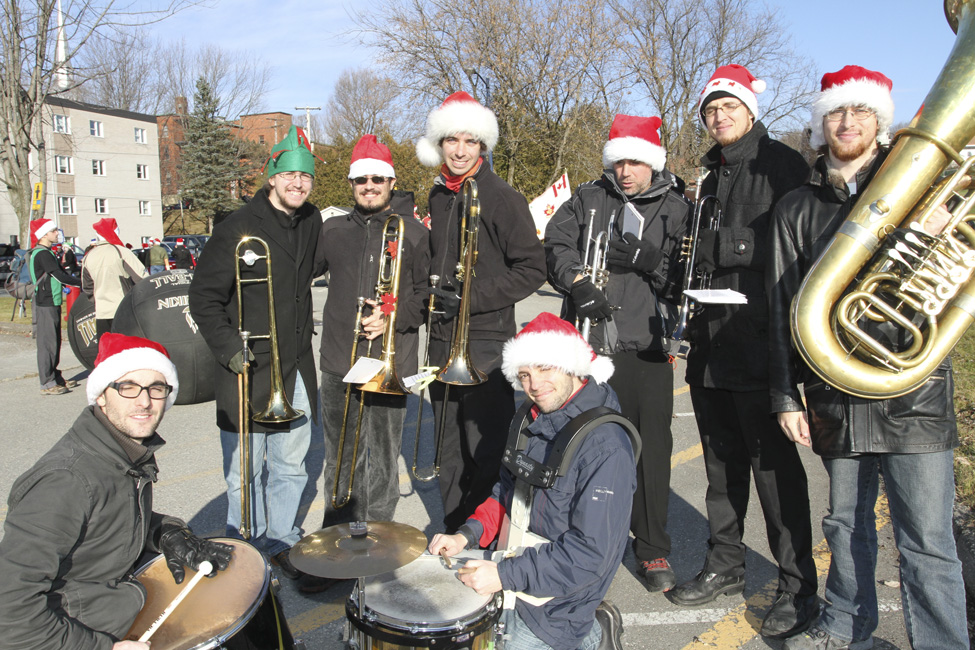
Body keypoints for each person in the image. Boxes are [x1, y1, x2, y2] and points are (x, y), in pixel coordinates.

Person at [768, 65, 969, 650]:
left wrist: (935, 234)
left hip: (914, 392)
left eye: (859, 112)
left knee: (926, 540)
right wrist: (786, 396)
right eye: (835, 111)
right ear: (819, 123)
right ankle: (844, 630)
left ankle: (944, 643)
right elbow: (782, 311)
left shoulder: (931, 190)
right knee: (845, 525)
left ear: (880, 122)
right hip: (835, 390)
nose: (847, 122)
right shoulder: (795, 208)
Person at [669, 64, 818, 635]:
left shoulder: (781, 162)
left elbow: (798, 244)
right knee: (720, 468)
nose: (719, 117)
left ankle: (798, 585)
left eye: (728, 107)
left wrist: (720, 245)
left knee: (775, 475)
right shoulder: (709, 172)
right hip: (711, 345)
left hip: (761, 344)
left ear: (750, 110)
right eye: (710, 110)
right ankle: (726, 564)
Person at [0, 333, 233, 649]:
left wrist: (165, 532)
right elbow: (9, 609)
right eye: (127, 387)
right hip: (78, 630)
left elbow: (109, 520)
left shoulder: (120, 453)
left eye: (156, 388)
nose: (144, 400)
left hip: (113, 604)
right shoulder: (66, 479)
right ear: (101, 395)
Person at [544, 113, 690, 592]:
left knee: (651, 449)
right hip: (590, 344)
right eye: (619, 161)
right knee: (576, 444)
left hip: (646, 348)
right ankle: (568, 534)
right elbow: (556, 243)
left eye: (636, 161)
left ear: (652, 162)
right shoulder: (589, 197)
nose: (626, 171)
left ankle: (651, 549)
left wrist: (651, 262)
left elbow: (687, 276)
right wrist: (577, 282)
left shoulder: (677, 206)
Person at [429, 313, 635, 650]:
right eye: (524, 374)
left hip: (560, 604)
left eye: (545, 368)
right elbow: (508, 492)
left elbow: (591, 555)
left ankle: (592, 634)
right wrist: (467, 535)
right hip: (519, 567)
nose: (534, 384)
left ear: (572, 366)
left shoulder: (606, 447)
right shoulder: (531, 416)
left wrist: (503, 575)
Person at [189, 125, 322, 581]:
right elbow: (203, 298)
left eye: (305, 178)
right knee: (244, 469)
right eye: (289, 176)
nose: (297, 184)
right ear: (271, 177)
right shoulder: (236, 228)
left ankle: (282, 538)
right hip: (247, 367)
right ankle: (245, 541)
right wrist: (230, 351)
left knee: (290, 463)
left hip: (296, 367)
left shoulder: (313, 220)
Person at [299, 135, 431, 593]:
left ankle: (378, 546)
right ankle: (338, 545)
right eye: (361, 179)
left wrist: (394, 313)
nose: (369, 185)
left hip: (391, 361)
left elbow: (426, 296)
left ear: (392, 181)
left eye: (377, 178)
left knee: (382, 459)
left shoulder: (414, 233)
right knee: (340, 459)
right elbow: (300, 272)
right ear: (352, 183)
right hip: (340, 360)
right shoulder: (333, 230)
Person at [415, 91, 546, 531]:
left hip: (485, 340)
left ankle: (482, 532)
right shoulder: (438, 196)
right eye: (452, 140)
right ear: (440, 143)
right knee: (448, 445)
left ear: (482, 146)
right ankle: (454, 528)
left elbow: (532, 268)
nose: (460, 150)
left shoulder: (502, 196)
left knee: (484, 445)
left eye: (470, 141)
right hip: (440, 340)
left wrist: (472, 295)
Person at [27, 218, 81, 396]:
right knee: (47, 344)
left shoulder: (48, 252)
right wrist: (81, 283)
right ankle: (47, 383)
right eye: (54, 230)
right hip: (45, 303)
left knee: (54, 342)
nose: (57, 233)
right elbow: (59, 275)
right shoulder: (42, 254)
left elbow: (61, 273)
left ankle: (56, 377)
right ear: (44, 234)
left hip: (53, 301)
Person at [81, 217, 149, 343]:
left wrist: (99, 301)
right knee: (127, 350)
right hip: (123, 309)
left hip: (101, 312)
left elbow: (87, 288)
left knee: (107, 352)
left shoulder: (88, 257)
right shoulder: (121, 252)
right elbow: (142, 279)